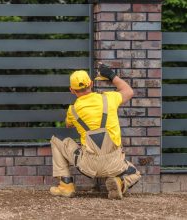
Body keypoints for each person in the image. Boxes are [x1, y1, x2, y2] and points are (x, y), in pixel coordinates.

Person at [49, 64, 141, 200]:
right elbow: (128, 91)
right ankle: (121, 183)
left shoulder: (73, 110)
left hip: (88, 165)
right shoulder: (109, 99)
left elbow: (68, 125)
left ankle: (66, 185)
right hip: (115, 164)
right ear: (91, 84)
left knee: (56, 140)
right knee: (135, 173)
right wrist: (111, 75)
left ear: (72, 90)